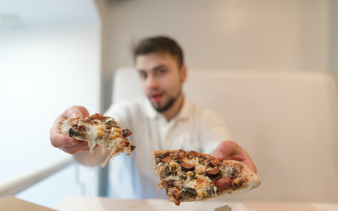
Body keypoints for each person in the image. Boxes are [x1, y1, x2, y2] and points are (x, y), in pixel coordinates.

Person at [50, 36, 257, 198]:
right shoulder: (126, 112)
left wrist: (227, 163)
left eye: (160, 71)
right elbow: (94, 155)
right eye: (143, 74)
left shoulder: (207, 119)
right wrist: (80, 139)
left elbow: (218, 152)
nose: (151, 84)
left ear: (183, 74)